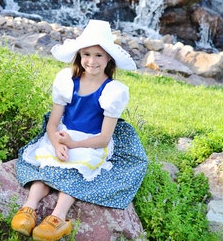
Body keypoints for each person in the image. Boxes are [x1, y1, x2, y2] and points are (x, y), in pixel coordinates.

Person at [11, 19, 148, 241]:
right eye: (86, 54)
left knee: (77, 171)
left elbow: (104, 138)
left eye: (98, 55)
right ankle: (28, 208)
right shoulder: (67, 79)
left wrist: (72, 144)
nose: (91, 61)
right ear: (79, 55)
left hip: (90, 141)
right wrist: (57, 143)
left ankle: (58, 218)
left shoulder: (113, 90)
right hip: (63, 133)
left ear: (108, 58)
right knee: (45, 165)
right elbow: (53, 124)